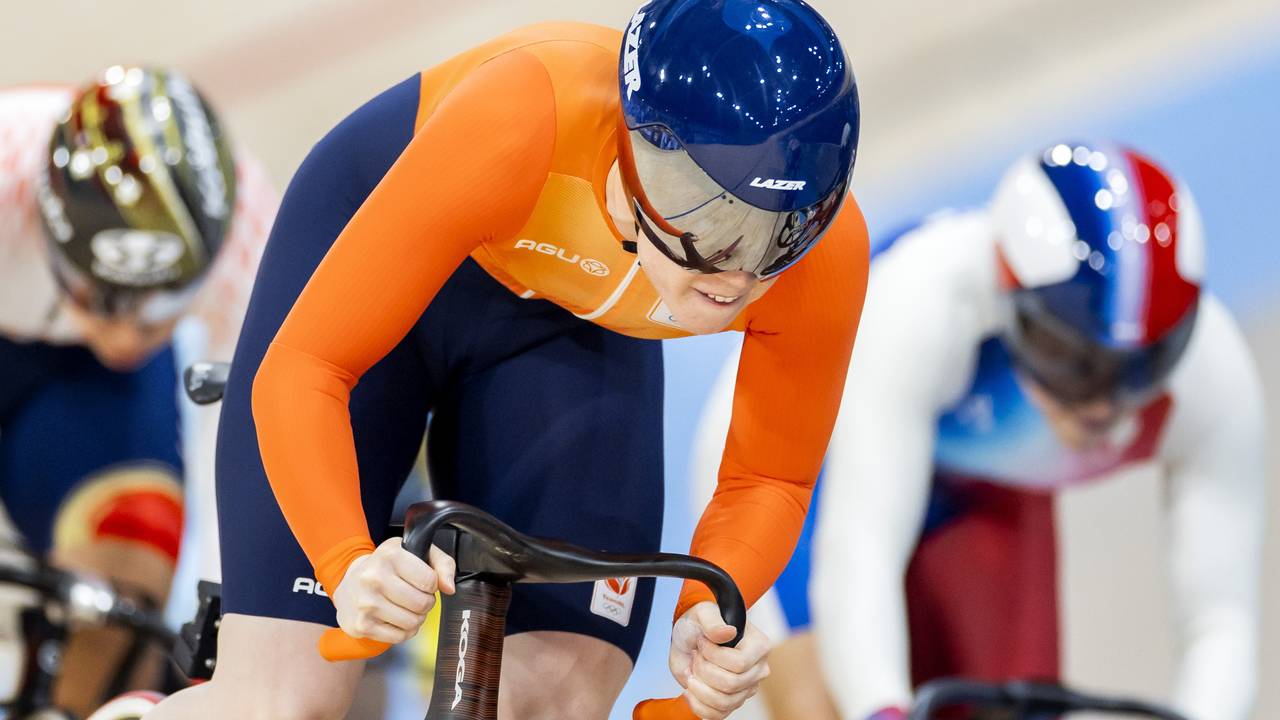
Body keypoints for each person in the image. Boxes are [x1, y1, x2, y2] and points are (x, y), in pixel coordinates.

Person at [147, 1, 869, 718]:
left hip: (562, 320)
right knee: (280, 704)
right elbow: (305, 367)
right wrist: (344, 562)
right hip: (390, 258)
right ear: (640, 153)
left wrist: (705, 613)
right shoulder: (524, 114)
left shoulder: (825, 254)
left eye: (783, 233)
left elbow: (769, 477)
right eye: (710, 218)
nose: (738, 274)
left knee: (552, 701)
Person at [693, 142, 1265, 720]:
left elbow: (1221, 617)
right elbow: (860, 550)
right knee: (817, 705)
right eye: (1068, 360)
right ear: (1009, 300)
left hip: (976, 492)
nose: (1102, 404)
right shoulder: (925, 303)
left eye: (1141, 369)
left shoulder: (1213, 374)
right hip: (803, 470)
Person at [0, 66, 277, 714]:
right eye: (102, 300)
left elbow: (244, 451)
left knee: (129, 592)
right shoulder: (6, 166)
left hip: (92, 388)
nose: (126, 335)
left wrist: (228, 632)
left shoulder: (251, 240)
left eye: (159, 311)